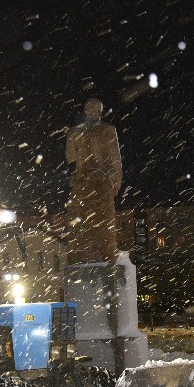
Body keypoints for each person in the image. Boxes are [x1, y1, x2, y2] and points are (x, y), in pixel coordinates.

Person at [65, 98, 123, 264]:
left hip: (86, 184)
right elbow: (115, 159)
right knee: (100, 228)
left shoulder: (74, 132)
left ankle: (90, 257)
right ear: (100, 111)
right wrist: (115, 182)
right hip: (97, 184)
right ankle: (100, 257)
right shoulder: (107, 130)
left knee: (84, 226)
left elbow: (70, 157)